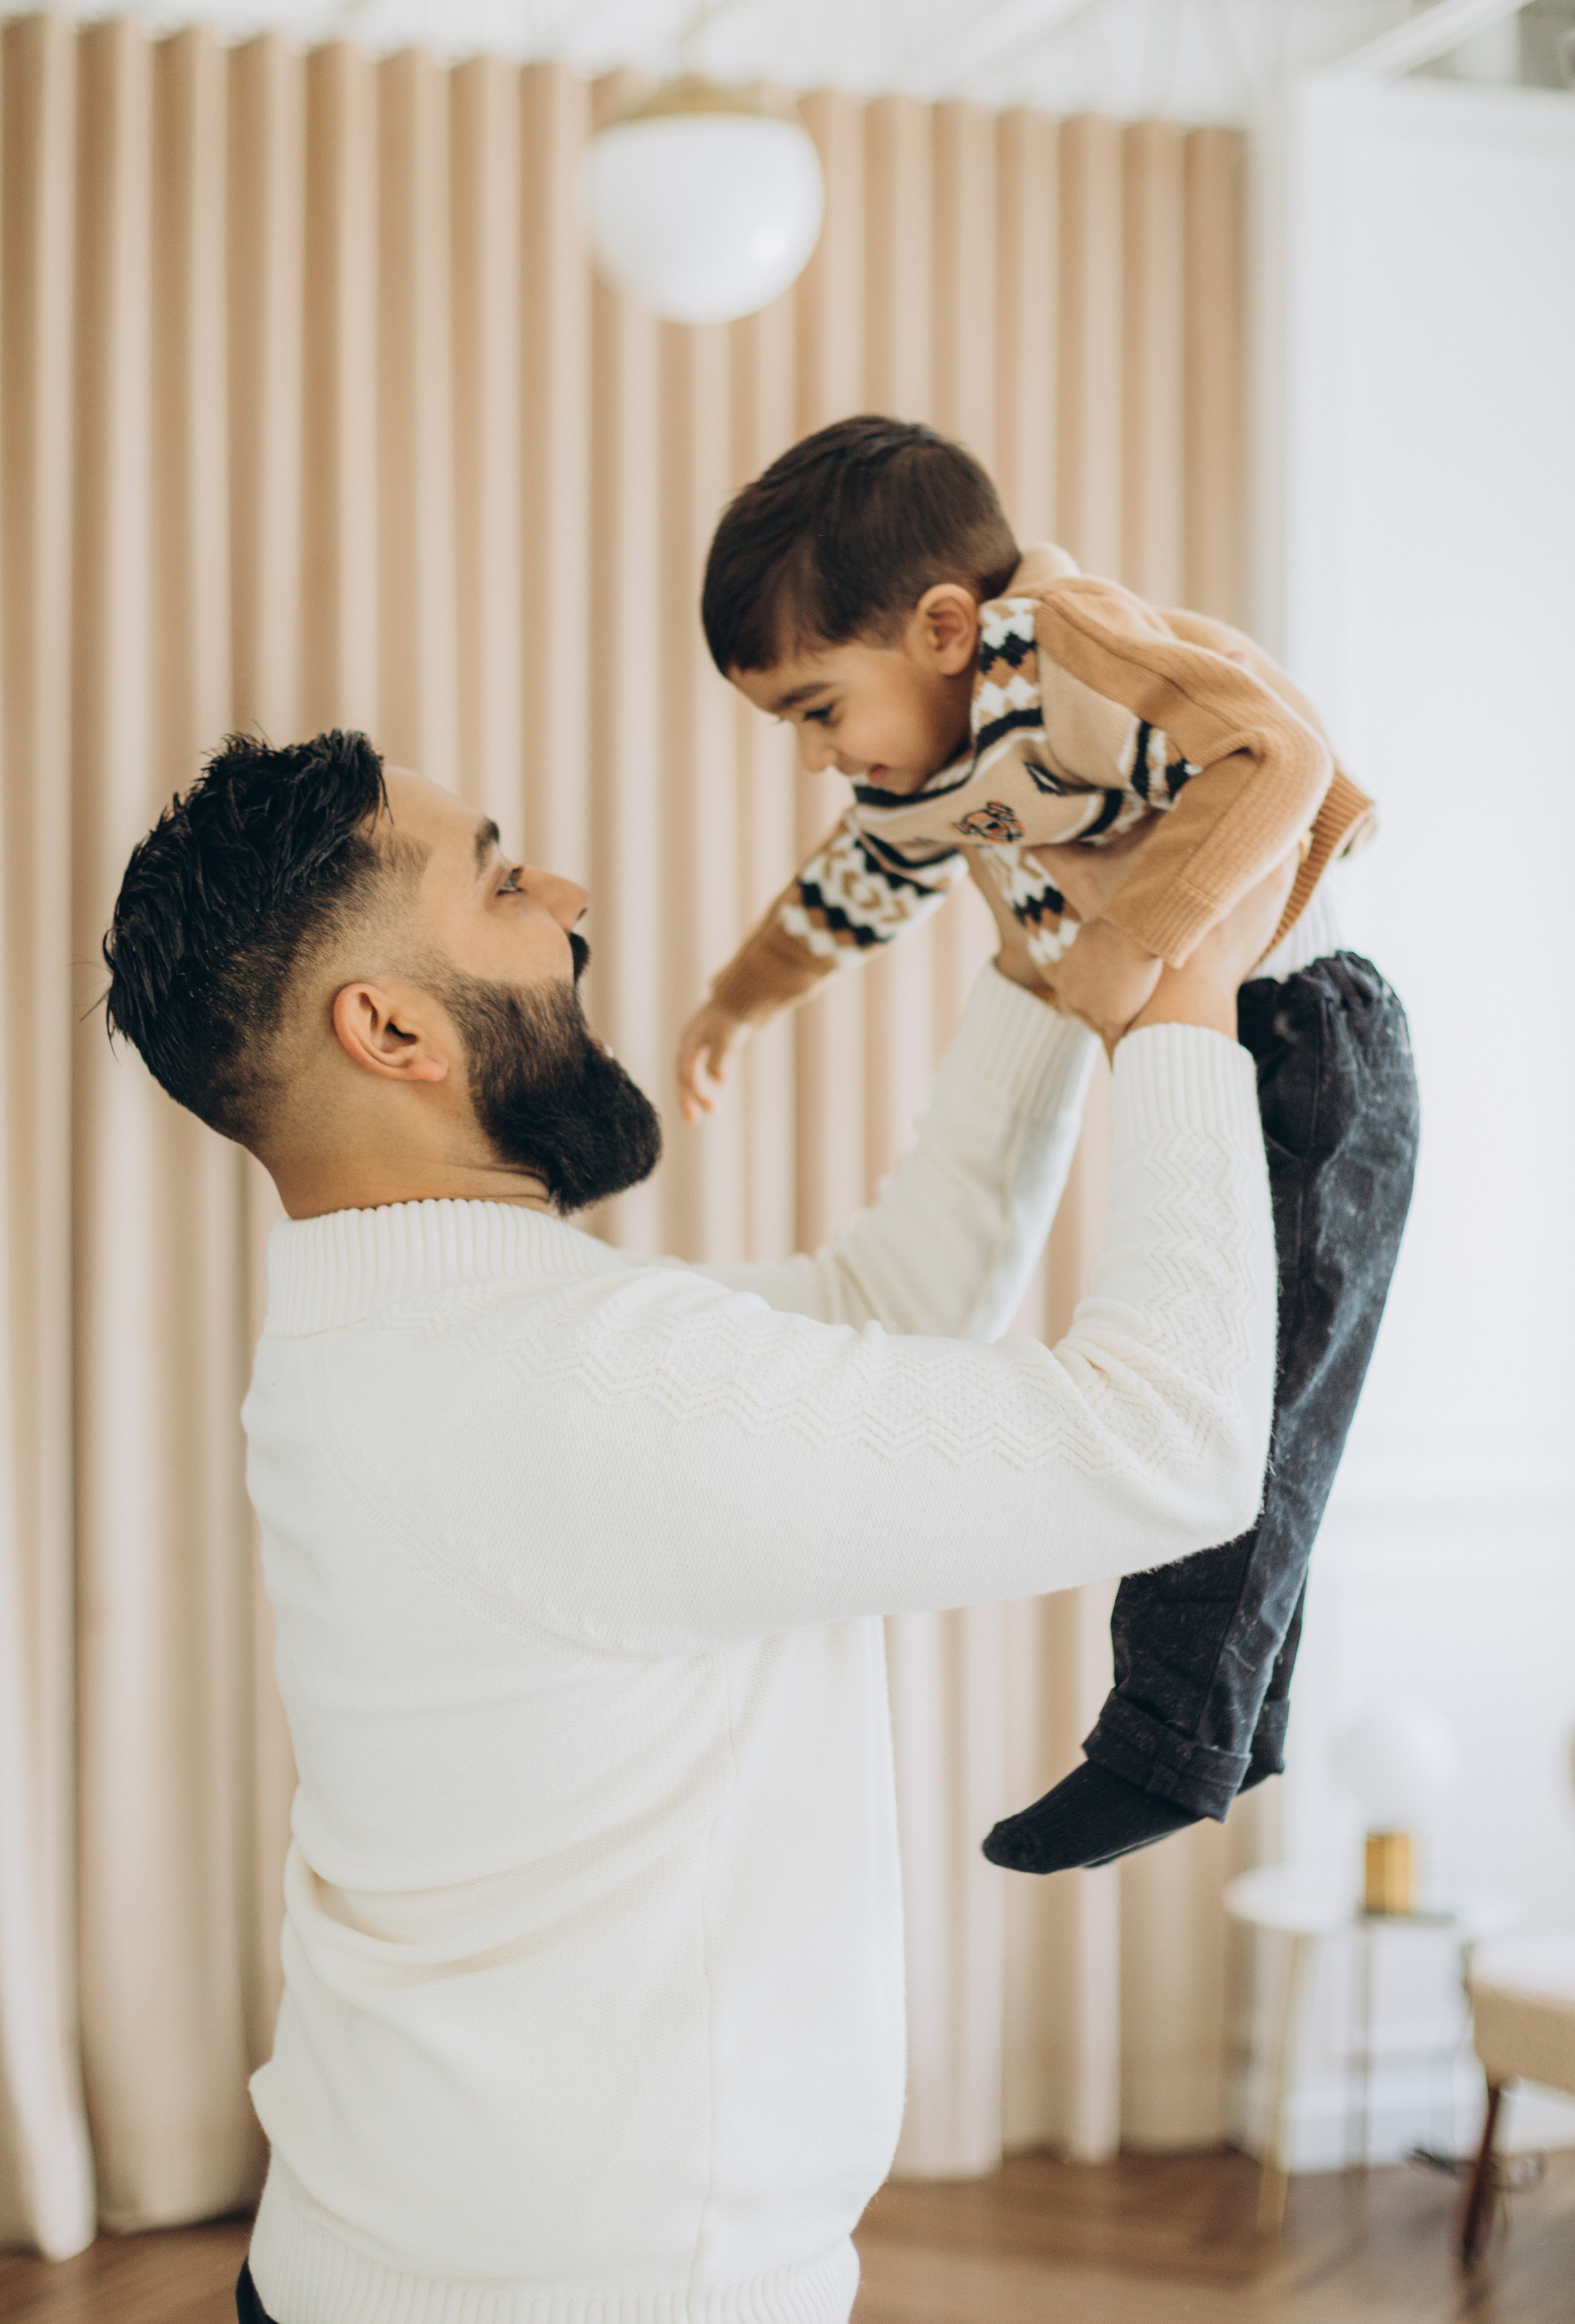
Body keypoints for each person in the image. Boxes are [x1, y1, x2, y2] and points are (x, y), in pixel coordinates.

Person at [103, 727, 1282, 2324]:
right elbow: (1171, 1445)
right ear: (389, 1029)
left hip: (386, 2265)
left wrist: (1038, 978)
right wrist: (1186, 985)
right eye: (500, 883)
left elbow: (882, 1304)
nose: (567, 898)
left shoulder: (390, 1340)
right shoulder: (572, 1387)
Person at [680, 415, 1419, 1877]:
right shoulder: (937, 772)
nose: (820, 757)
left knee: (1250, 1404)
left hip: (1312, 1039)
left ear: (946, 629)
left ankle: (1166, 1745)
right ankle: (1233, 1727)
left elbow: (1277, 753)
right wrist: (737, 999)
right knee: (1261, 1409)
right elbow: (850, 889)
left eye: (819, 710)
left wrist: (1136, 938)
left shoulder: (1072, 653)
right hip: (1225, 1043)